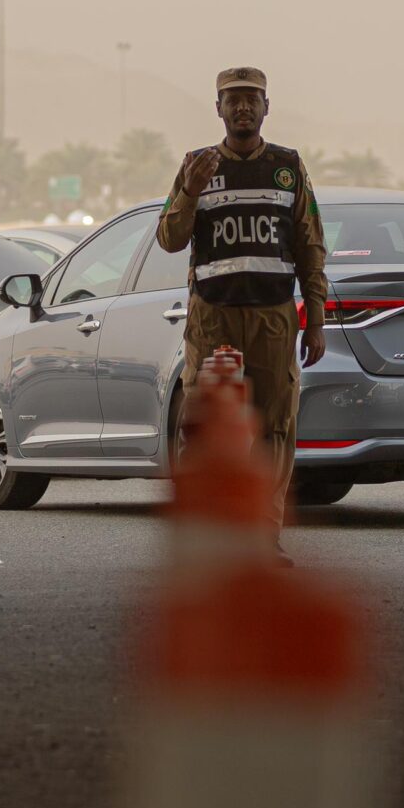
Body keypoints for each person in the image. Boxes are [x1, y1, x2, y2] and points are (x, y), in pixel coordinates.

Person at [153, 68, 330, 547]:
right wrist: (189, 190)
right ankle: (208, 538)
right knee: (206, 428)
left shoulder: (288, 167)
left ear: (267, 107)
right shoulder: (197, 164)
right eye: (233, 99)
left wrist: (314, 319)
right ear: (218, 109)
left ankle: (264, 538)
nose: (243, 107)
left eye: (252, 98)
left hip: (274, 318)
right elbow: (169, 239)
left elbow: (311, 246)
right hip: (213, 319)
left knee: (275, 428)